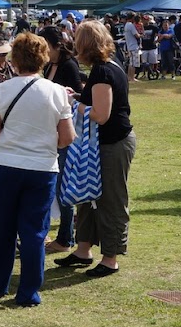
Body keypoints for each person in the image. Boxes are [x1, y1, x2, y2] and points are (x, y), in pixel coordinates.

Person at [0, 32, 75, 307]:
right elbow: (67, 138)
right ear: (43, 59)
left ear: (14, 59)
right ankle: (28, 291)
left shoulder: (3, 89)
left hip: (6, 166)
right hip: (42, 168)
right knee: (34, 232)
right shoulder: (56, 91)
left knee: (0, 228)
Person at [54, 21, 135, 278]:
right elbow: (95, 103)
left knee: (111, 199)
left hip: (113, 144)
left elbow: (100, 114)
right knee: (87, 197)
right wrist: (77, 97)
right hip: (101, 144)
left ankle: (110, 258)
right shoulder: (107, 67)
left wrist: (72, 104)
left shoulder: (102, 72)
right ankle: (83, 249)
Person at [38, 26, 87, 254]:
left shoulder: (68, 64)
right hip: (49, 132)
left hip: (65, 133)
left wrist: (66, 95)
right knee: (51, 187)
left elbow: (79, 96)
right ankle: (50, 232)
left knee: (62, 188)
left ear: (53, 43)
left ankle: (65, 238)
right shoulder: (48, 64)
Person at [123, 13, 141, 81]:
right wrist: (141, 35)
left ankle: (129, 77)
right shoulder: (130, 25)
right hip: (133, 46)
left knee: (131, 62)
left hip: (129, 46)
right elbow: (136, 35)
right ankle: (132, 77)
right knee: (133, 63)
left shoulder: (126, 25)